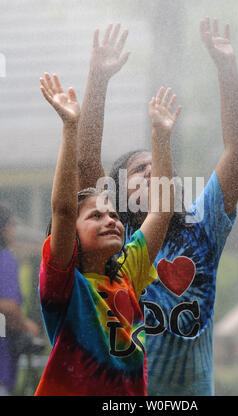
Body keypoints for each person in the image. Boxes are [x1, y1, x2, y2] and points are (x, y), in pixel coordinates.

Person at [78, 18, 238, 395]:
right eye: (141, 170)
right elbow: (86, 158)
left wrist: (226, 67)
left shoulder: (202, 229)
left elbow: (237, 150)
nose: (154, 173)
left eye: (160, 168)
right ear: (118, 193)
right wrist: (99, 80)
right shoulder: (108, 242)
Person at [35, 70, 181, 395]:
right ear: (71, 232)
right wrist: (70, 127)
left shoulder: (128, 272)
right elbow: (62, 208)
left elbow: (161, 210)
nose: (111, 221)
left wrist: (160, 136)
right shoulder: (65, 284)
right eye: (96, 216)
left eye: (113, 215)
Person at [0, 205, 40, 396]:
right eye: (11, 225)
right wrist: (26, 326)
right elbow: (7, 307)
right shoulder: (5, 258)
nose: (14, 231)